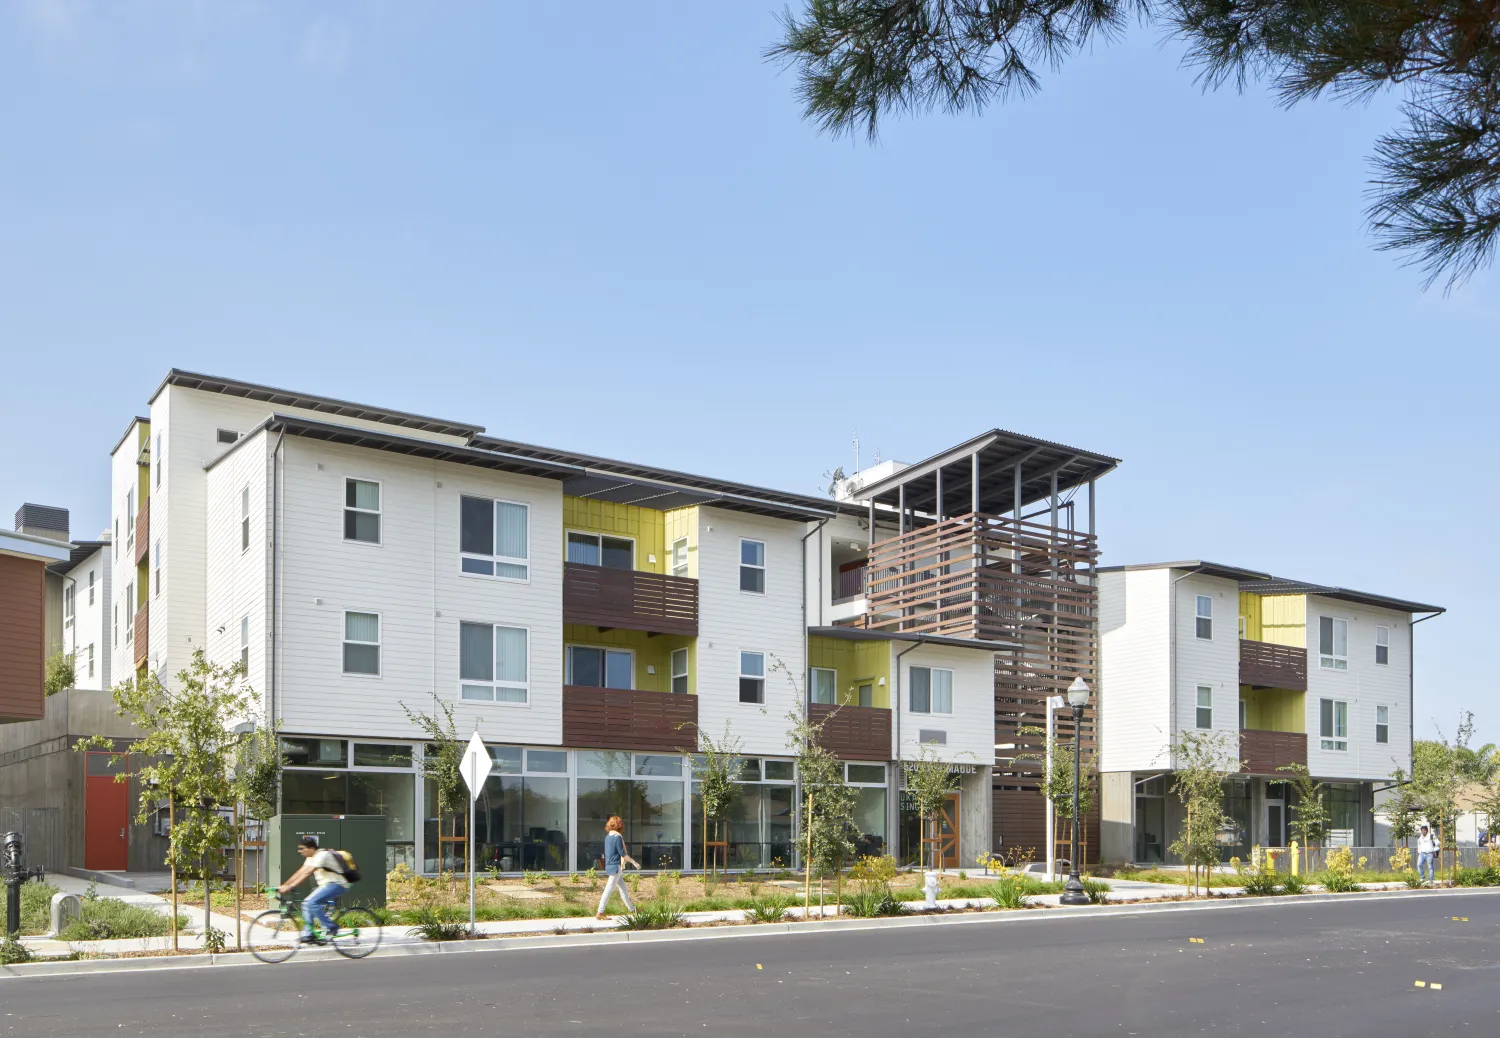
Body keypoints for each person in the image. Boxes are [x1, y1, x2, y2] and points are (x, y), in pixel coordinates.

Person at [277, 835, 351, 943]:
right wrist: (284, 884)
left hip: (337, 884)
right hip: (326, 885)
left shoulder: (322, 855)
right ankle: (308, 935)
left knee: (309, 902)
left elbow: (308, 872)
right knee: (307, 904)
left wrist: (290, 886)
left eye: (302, 848)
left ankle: (332, 927)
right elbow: (301, 871)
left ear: (311, 848)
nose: (300, 851)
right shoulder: (310, 858)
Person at [595, 815, 640, 919]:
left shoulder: (608, 837)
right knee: (608, 889)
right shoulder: (618, 837)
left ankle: (632, 910)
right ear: (620, 825)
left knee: (623, 889)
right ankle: (600, 912)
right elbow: (623, 853)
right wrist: (634, 862)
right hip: (616, 867)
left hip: (609, 866)